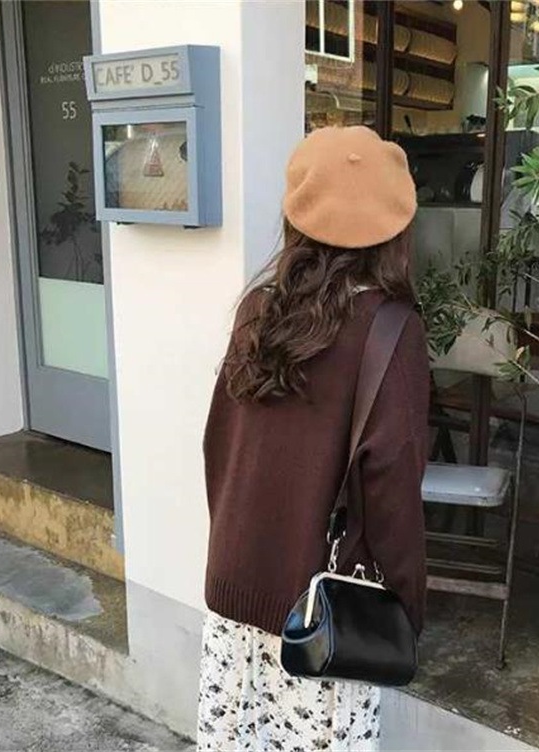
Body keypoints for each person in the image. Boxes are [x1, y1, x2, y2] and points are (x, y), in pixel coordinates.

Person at [198, 126, 429, 752]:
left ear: (297, 215)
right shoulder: (390, 331)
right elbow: (393, 489)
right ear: (395, 230)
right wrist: (406, 606)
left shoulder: (259, 310)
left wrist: (239, 547)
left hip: (233, 588)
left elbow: (218, 447)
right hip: (321, 616)